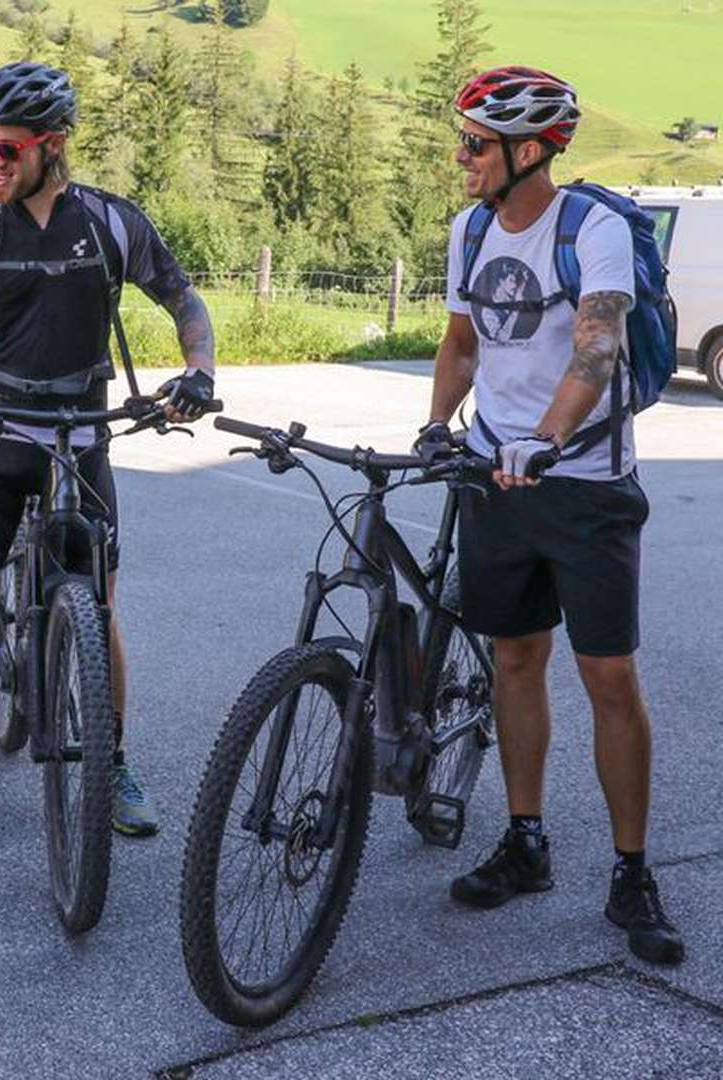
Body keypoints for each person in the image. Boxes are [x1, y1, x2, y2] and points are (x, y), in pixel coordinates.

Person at [0, 61, 216, 840]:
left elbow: (184, 300)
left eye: (6, 148)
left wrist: (198, 371)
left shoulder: (109, 222)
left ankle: (113, 762)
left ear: (52, 146)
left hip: (83, 439)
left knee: (98, 610)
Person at [415, 66, 683, 963]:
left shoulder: (593, 228)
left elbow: (597, 341)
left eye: (476, 144)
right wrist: (433, 424)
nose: (462, 158)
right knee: (515, 659)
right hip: (497, 477)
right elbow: (461, 341)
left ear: (528, 152)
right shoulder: (470, 228)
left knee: (608, 678)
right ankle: (525, 841)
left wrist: (547, 438)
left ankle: (632, 870)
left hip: (585, 484)